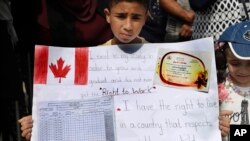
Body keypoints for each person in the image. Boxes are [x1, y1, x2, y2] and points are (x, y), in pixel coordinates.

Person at [216, 20, 250, 140]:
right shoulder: (217, 88)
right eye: (235, 63)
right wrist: (216, 126)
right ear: (224, 59)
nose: (243, 71)